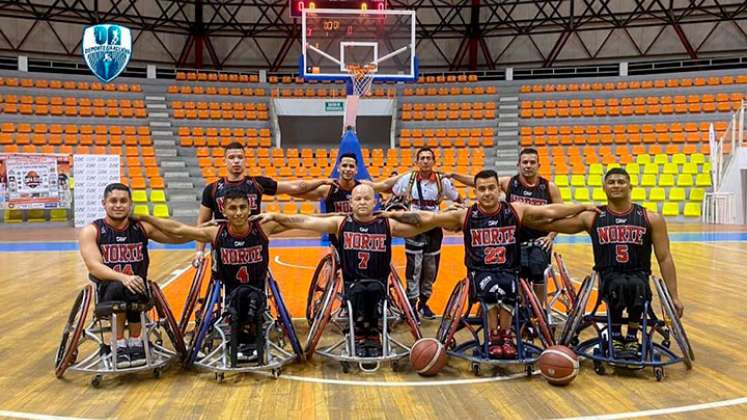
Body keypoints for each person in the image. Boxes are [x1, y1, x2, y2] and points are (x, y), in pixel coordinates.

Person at [383, 170, 596, 359]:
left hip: (508, 270)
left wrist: (584, 206)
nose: (487, 193)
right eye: (482, 189)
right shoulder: (465, 215)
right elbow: (426, 218)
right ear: (475, 191)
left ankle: (506, 336)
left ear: (499, 189)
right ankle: (494, 336)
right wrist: (393, 214)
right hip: (479, 272)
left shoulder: (515, 210)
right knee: (493, 287)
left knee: (508, 284)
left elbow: (550, 212)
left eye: (491, 188)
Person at [254, 184, 437, 357]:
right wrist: (278, 217)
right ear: (351, 203)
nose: (363, 202)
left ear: (375, 202)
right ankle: (360, 335)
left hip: (379, 285)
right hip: (352, 285)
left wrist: (442, 219)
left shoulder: (388, 225)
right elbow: (306, 221)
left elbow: (420, 224)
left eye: (367, 198)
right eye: (358, 199)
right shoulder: (340, 223)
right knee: (360, 292)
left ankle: (372, 335)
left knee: (372, 291)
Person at [540, 168, 684, 359]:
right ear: (604, 188)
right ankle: (615, 335)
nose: (616, 185)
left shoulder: (651, 218)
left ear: (630, 186)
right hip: (608, 275)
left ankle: (632, 337)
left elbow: (664, 258)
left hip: (639, 273)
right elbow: (550, 224)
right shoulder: (593, 217)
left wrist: (674, 296)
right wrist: (525, 219)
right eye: (612, 182)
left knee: (637, 285)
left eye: (621, 182)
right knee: (616, 284)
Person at [137, 188, 295, 362]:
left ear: (250, 209)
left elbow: (305, 222)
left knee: (252, 302)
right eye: (233, 208)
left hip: (258, 288)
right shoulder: (215, 232)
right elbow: (178, 229)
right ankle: (241, 337)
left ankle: (250, 338)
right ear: (224, 211)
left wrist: (277, 216)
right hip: (228, 289)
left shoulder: (264, 227)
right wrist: (145, 217)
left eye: (243, 207)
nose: (239, 212)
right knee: (238, 303)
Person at [78, 183, 184, 368]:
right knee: (123, 286)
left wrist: (203, 231)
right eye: (113, 201)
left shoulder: (141, 228)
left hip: (137, 288)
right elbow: (94, 266)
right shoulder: (92, 231)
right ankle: (118, 343)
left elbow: (178, 235)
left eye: (123, 201)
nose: (118, 205)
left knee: (136, 285)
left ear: (130, 204)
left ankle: (136, 342)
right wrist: (124, 278)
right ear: (104, 203)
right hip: (109, 289)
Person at [449, 148, 562, 302]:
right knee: (516, 273)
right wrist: (455, 176)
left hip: (539, 240)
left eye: (532, 162)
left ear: (538, 165)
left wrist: (551, 236)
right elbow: (477, 181)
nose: (528, 165)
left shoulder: (549, 187)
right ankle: (520, 310)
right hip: (513, 240)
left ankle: (539, 312)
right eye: (525, 162)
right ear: (519, 164)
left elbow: (560, 213)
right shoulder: (509, 183)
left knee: (538, 272)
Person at [193, 141, 333, 267]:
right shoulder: (212, 189)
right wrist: (199, 251)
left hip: (254, 245)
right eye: (231, 157)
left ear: (245, 160)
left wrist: (321, 181)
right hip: (224, 248)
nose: (236, 161)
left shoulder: (257, 183)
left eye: (240, 157)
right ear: (224, 161)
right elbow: (202, 222)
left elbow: (296, 187)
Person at [392, 147, 462, 320]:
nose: (425, 161)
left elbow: (457, 198)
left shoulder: (442, 181)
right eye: (422, 158)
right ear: (417, 162)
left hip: (434, 229)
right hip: (414, 228)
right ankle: (411, 306)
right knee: (413, 268)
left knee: (431, 268)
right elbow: (393, 195)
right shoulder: (407, 180)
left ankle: (423, 302)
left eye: (428, 158)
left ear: (433, 161)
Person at [300, 152, 402, 246]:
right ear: (338, 168)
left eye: (351, 166)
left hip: (360, 236)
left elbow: (385, 184)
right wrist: (321, 181)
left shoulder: (363, 186)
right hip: (337, 240)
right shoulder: (328, 189)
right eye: (344, 165)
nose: (348, 169)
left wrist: (409, 174)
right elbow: (300, 191)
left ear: (356, 170)